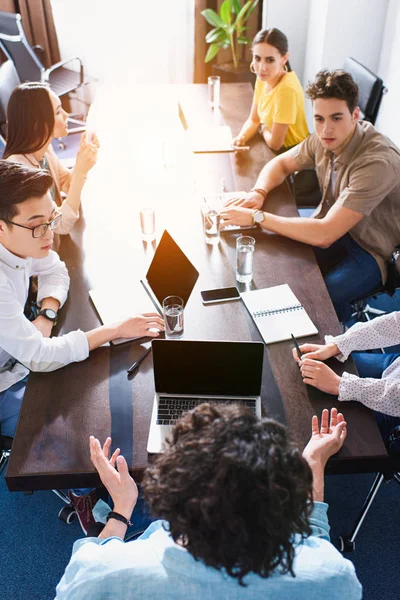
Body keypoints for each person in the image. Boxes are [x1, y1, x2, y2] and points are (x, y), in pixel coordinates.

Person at [0, 160, 164, 531]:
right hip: (5, 381)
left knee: (97, 388)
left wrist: (46, 311)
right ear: (1, 227)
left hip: (18, 358)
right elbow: (39, 357)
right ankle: (81, 494)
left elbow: (56, 269)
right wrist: (112, 329)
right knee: (74, 420)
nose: (50, 232)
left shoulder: (20, 246)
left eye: (51, 218)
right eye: (37, 224)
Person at [55, 404, 362, 599]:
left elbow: (81, 575)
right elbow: (315, 543)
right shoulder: (334, 579)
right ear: (282, 508)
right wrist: (314, 462)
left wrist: (121, 509)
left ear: (167, 500)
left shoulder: (101, 576)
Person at [221, 70, 400, 323]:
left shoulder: (377, 163)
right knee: (279, 265)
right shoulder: (326, 139)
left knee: (317, 300)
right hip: (338, 227)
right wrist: (258, 192)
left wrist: (257, 216)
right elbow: (281, 164)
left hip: (374, 251)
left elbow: (325, 235)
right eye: (319, 118)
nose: (326, 129)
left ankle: (336, 347)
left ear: (355, 116)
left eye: (337, 117)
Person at [3, 82, 99, 252]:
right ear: (37, 124)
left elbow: (66, 183)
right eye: (57, 112)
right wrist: (81, 171)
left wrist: (81, 159)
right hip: (45, 261)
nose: (66, 115)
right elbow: (61, 225)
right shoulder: (22, 175)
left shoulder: (43, 149)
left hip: (58, 246)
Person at [292, 311, 400, 448]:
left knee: (313, 429)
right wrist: (336, 346)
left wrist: (340, 384)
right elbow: (396, 322)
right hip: (395, 366)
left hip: (395, 409)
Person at [233, 28, 308, 152]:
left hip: (293, 153)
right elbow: (254, 119)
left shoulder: (286, 90)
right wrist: (241, 137)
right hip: (272, 148)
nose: (262, 68)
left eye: (270, 60)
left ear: (284, 58)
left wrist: (263, 128)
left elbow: (275, 143)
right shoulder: (264, 78)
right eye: (257, 58)